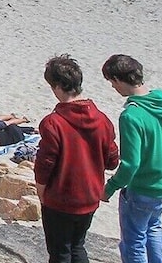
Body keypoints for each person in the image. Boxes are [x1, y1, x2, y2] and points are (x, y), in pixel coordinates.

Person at [101, 55, 162, 263]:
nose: (113, 87)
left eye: (112, 82)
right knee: (154, 227)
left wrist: (110, 187)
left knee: (134, 242)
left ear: (118, 79)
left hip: (144, 188)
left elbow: (130, 163)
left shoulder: (131, 116)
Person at [34, 55, 118, 263]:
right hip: (89, 197)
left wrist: (41, 191)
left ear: (58, 86)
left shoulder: (53, 123)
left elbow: (45, 165)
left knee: (60, 251)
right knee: (77, 246)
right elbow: (112, 160)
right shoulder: (102, 119)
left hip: (61, 198)